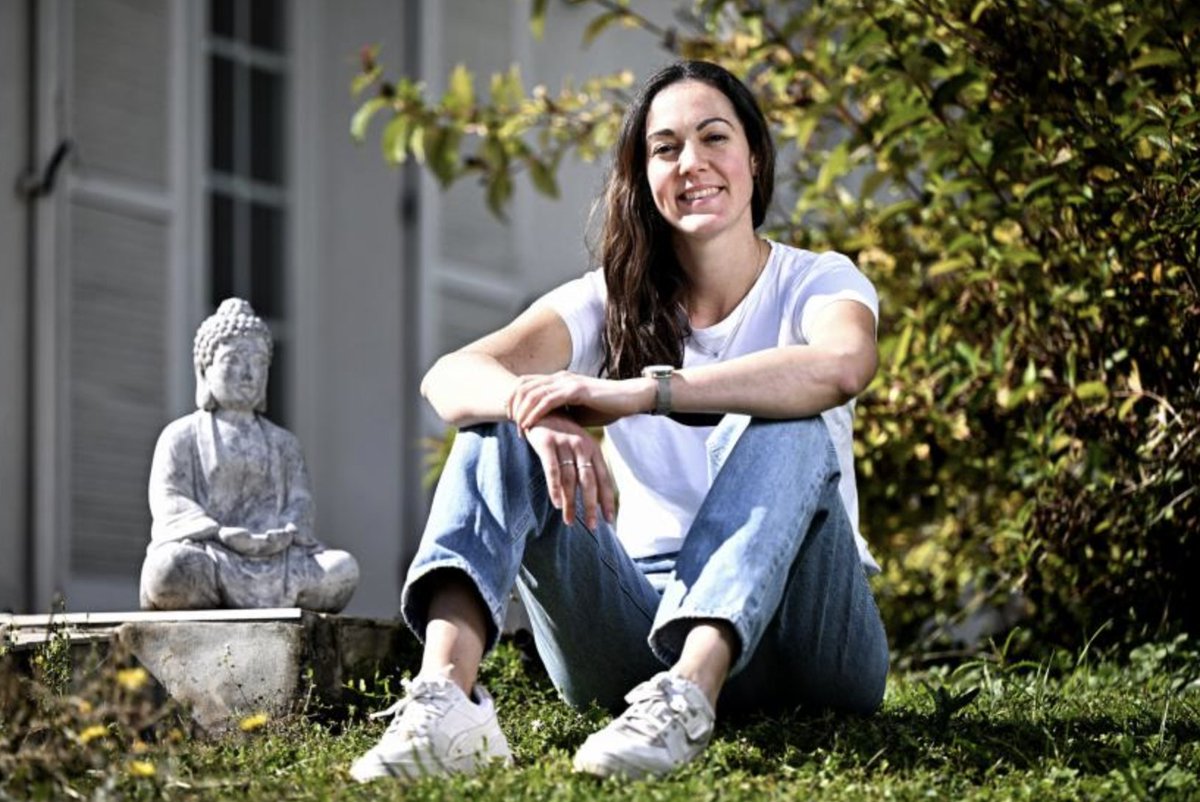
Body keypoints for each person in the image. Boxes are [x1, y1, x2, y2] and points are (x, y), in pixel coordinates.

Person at [350, 59, 888, 782]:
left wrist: (639, 393)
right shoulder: (613, 300)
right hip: (639, 628)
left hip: (809, 639)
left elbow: (841, 367)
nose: (691, 163)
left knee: (786, 416)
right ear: (645, 176)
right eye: (665, 148)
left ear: (754, 157)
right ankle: (448, 698)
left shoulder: (818, 280)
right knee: (500, 421)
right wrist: (531, 409)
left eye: (713, 137)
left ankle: (691, 694)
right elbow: (448, 376)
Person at [140, 298, 359, 612]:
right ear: (204, 369)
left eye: (258, 362)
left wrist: (280, 533)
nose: (248, 374)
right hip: (211, 553)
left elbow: (300, 506)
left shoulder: (284, 444)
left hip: (277, 558)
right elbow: (169, 500)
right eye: (234, 360)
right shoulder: (181, 436)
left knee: (342, 569)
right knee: (170, 568)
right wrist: (220, 533)